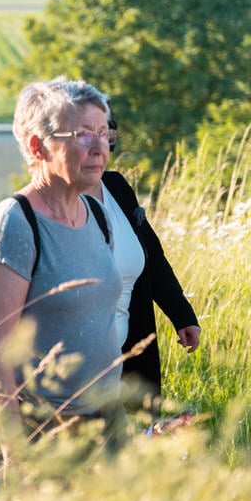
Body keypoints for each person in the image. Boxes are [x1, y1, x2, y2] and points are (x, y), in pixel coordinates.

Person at [0, 78, 124, 501]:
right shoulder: (14, 221)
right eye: (83, 135)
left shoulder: (94, 212)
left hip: (97, 426)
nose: (100, 147)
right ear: (37, 145)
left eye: (104, 132)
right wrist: (17, 453)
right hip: (33, 431)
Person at [85, 110, 200, 405]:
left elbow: (152, 255)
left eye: (108, 135)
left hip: (132, 350)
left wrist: (182, 314)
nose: (101, 147)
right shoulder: (54, 204)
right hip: (78, 368)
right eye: (89, 135)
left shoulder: (117, 187)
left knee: (136, 438)